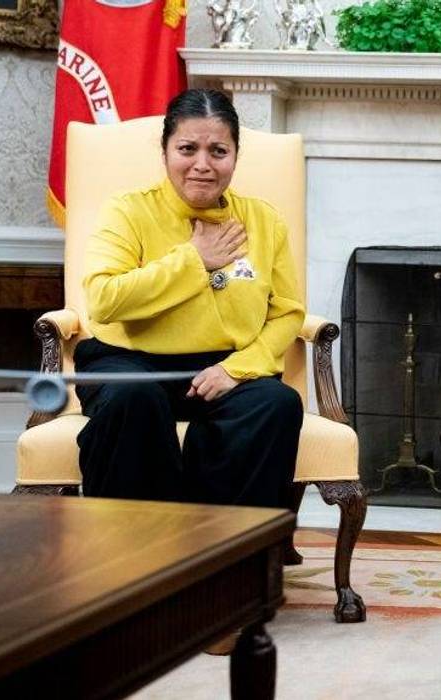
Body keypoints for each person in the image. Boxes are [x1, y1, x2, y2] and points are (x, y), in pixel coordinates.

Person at [76, 88, 305, 511]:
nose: (202, 164)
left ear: (235, 156)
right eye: (187, 148)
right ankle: (135, 553)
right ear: (165, 152)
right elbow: (104, 300)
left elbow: (287, 312)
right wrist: (195, 261)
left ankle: (224, 554)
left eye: (218, 150)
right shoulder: (127, 212)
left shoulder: (263, 220)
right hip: (130, 362)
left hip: (221, 365)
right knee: (133, 399)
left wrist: (237, 369)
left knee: (276, 404)